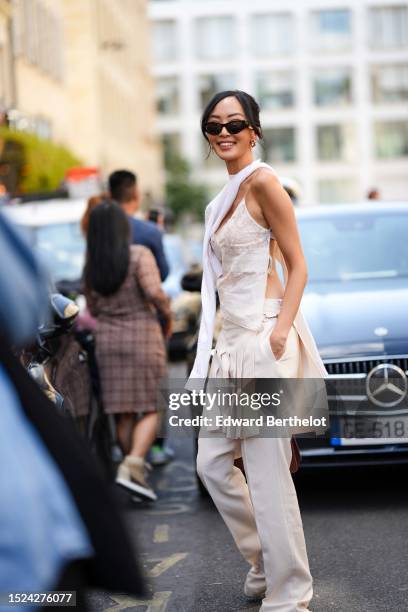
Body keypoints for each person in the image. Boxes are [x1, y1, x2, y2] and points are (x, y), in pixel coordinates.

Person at [187, 91, 328, 612]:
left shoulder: (264, 182)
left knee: (268, 474)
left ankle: (290, 593)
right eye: (214, 125)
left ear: (254, 131)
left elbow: (298, 264)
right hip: (231, 346)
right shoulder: (216, 202)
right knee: (212, 463)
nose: (224, 132)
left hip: (266, 340)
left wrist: (279, 332)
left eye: (235, 123)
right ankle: (264, 562)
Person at [83, 201, 172, 501]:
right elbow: (155, 293)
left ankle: (135, 478)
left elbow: (93, 307)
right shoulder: (139, 255)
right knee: (150, 406)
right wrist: (168, 315)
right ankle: (133, 464)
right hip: (143, 336)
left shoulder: (91, 264)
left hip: (108, 341)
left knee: (122, 413)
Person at [108, 170, 169, 281]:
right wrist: (155, 230)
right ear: (136, 194)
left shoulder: (99, 229)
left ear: (110, 196)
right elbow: (163, 274)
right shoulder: (150, 231)